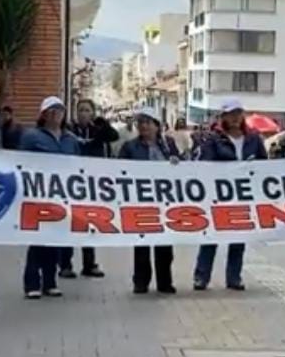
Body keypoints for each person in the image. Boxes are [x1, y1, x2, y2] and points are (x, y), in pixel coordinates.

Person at [194, 99, 267, 291]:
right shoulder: (213, 139)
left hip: (243, 196)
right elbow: (206, 164)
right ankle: (201, 277)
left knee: (238, 238)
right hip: (219, 196)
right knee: (211, 237)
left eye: (238, 113)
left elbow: (264, 165)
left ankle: (234, 277)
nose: (234, 118)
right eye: (230, 114)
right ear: (223, 117)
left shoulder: (254, 139)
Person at [20, 97, 81, 299]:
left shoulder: (70, 139)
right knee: (37, 240)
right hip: (37, 195)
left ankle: (50, 282)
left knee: (55, 239)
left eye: (59, 110)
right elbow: (19, 162)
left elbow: (80, 165)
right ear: (43, 114)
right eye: (51, 110)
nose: (56, 114)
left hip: (61, 197)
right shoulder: (31, 137)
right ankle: (31, 284)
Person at [119, 108, 181, 294]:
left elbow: (179, 165)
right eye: (141, 122)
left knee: (164, 245)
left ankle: (164, 282)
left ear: (157, 125)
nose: (144, 126)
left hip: (164, 203)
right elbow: (119, 170)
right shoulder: (129, 147)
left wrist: (176, 162)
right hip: (140, 202)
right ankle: (141, 282)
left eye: (148, 122)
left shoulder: (168, 144)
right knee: (142, 244)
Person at [59, 99, 118, 279]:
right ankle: (65, 265)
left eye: (87, 110)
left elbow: (113, 136)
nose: (83, 114)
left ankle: (89, 263)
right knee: (69, 224)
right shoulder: (69, 130)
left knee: (89, 223)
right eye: (81, 110)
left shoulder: (97, 130)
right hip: (72, 182)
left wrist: (102, 123)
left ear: (92, 113)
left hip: (91, 184)